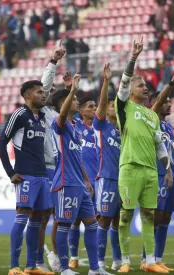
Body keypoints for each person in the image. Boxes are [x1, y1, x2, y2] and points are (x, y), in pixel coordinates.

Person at [113, 36, 171, 273]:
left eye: (146, 85)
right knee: (125, 216)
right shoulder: (124, 106)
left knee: (149, 216)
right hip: (130, 167)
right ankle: (125, 261)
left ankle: (151, 262)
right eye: (141, 85)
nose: (145, 88)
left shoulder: (153, 116)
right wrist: (133, 57)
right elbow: (125, 82)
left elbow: (159, 145)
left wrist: (166, 167)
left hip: (149, 171)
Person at [50, 74, 111, 275]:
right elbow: (62, 113)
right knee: (65, 224)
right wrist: (72, 91)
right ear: (64, 104)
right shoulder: (59, 125)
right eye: (75, 100)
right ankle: (65, 268)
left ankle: (95, 269)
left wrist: (86, 179)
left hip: (80, 183)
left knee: (92, 225)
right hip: (65, 183)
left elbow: (77, 157)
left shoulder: (76, 127)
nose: (77, 102)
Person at [0, 80, 54, 275]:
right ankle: (14, 266)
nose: (43, 95)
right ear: (28, 96)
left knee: (37, 220)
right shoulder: (19, 115)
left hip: (42, 174)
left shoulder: (42, 117)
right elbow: (1, 143)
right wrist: (10, 172)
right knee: (22, 218)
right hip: (25, 175)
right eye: (39, 92)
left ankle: (31, 266)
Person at [141, 70, 174, 271]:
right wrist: (173, 81)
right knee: (155, 216)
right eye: (167, 101)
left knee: (166, 217)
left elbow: (173, 153)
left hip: (171, 175)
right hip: (157, 174)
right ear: (158, 104)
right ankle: (146, 259)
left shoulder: (168, 127)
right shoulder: (150, 120)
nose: (170, 104)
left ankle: (158, 258)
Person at [40, 41, 66, 273]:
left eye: (48, 93)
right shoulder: (36, 111)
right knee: (42, 216)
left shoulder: (57, 115)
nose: (46, 93)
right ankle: (38, 259)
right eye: (42, 92)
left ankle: (57, 255)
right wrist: (53, 62)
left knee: (59, 216)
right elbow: (44, 84)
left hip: (58, 169)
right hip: (41, 168)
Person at [93, 64, 122, 271]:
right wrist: (106, 82)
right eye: (109, 105)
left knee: (118, 220)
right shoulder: (101, 126)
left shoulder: (123, 131)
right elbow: (102, 103)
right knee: (104, 219)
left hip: (123, 179)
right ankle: (99, 263)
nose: (111, 106)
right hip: (106, 177)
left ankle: (119, 260)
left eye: (114, 105)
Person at [68, 96, 98, 269]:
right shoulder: (77, 125)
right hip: (80, 180)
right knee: (75, 221)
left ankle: (97, 261)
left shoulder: (100, 128)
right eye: (90, 106)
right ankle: (74, 257)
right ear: (82, 111)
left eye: (95, 106)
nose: (94, 108)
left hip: (98, 181)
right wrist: (69, 89)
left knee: (94, 222)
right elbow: (66, 111)